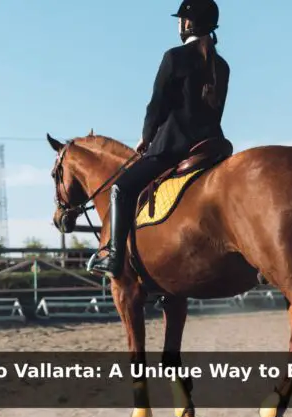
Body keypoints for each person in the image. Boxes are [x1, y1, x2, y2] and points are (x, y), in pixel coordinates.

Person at [87, 0, 231, 278]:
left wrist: (146, 137)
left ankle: (114, 257)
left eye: (180, 20)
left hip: (174, 147)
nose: (179, 24)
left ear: (188, 24)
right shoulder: (222, 66)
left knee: (120, 189)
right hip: (212, 147)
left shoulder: (174, 57)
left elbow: (157, 106)